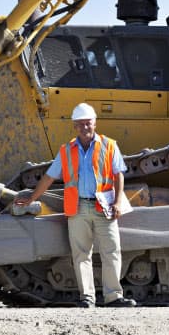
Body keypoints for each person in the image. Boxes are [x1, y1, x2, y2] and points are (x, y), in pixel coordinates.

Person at [13, 103, 136, 308]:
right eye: (80, 124)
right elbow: (49, 177)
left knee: (111, 251)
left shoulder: (109, 145)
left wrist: (117, 202)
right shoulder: (66, 150)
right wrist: (32, 198)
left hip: (103, 207)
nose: (84, 128)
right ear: (75, 126)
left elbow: (118, 175)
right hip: (77, 208)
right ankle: (87, 297)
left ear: (94, 123)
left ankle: (113, 296)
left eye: (87, 123)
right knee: (81, 254)